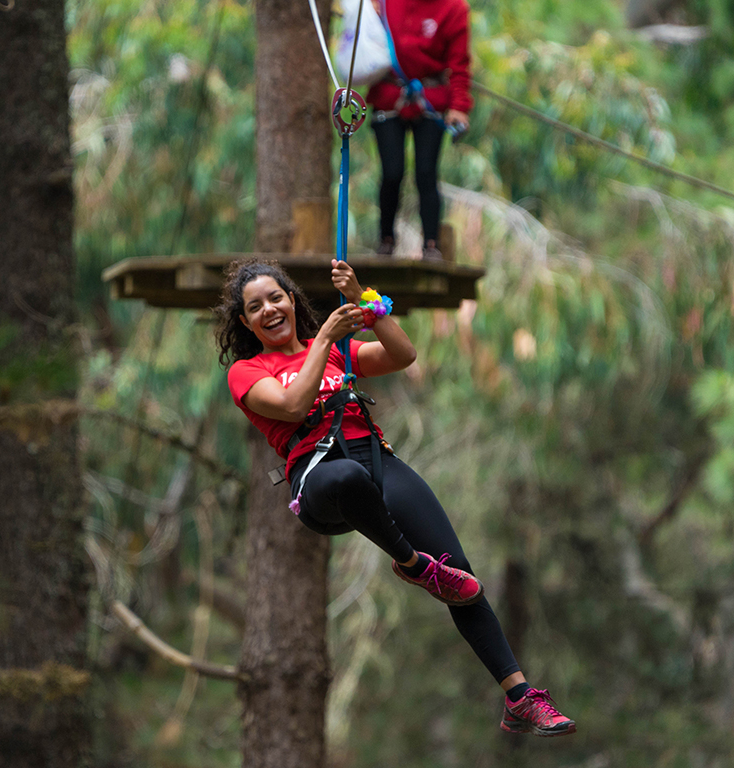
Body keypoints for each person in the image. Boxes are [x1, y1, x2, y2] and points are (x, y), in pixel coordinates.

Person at [215, 256, 576, 737]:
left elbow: (403, 354)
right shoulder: (247, 371)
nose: (269, 310)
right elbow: (293, 404)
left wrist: (367, 299)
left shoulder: (341, 351)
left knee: (461, 575)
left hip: (375, 460)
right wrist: (324, 336)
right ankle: (411, 564)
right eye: (255, 307)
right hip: (319, 477)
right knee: (346, 478)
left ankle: (519, 697)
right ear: (245, 321)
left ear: (291, 300)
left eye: (275, 298)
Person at [367, 0, 472, 261]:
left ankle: (431, 245)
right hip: (389, 95)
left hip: (430, 98)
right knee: (392, 172)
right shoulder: (382, 2)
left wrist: (459, 106)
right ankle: (386, 240)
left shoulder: (453, 8)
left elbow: (459, 64)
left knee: (426, 173)